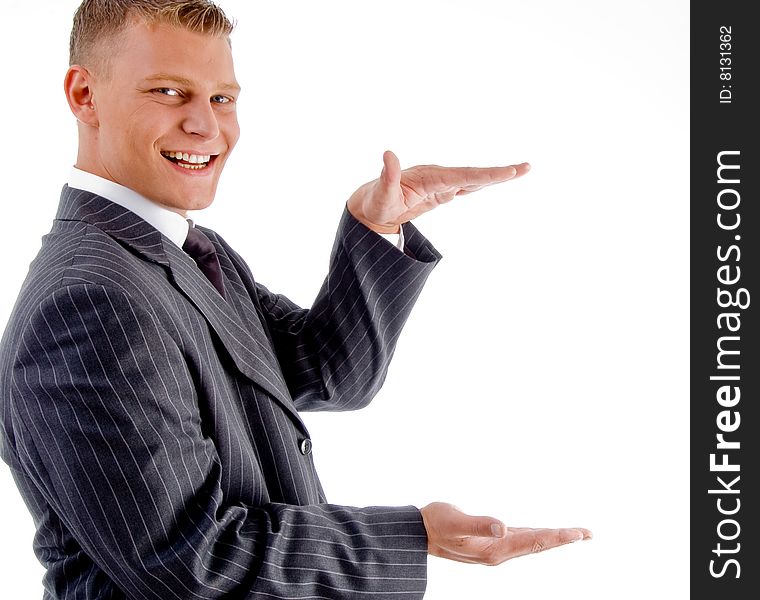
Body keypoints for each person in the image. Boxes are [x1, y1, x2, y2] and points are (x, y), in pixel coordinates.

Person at [0, 1, 591, 598]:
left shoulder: (188, 251)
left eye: (222, 98)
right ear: (83, 95)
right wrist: (413, 536)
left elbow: (326, 371)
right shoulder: (90, 302)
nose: (207, 126)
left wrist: (376, 230)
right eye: (169, 92)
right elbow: (196, 561)